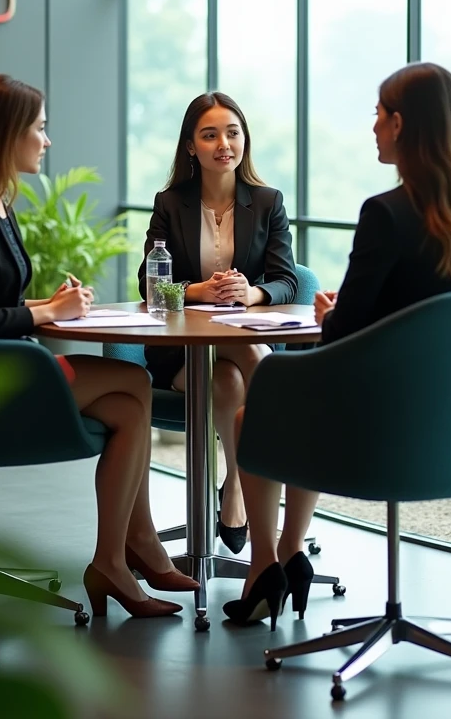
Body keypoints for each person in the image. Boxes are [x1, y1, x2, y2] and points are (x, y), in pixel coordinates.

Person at [225, 62, 451, 628]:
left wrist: (331, 316)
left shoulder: (387, 213)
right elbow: (430, 322)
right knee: (285, 404)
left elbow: (347, 334)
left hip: (380, 428)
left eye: (378, 115)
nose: (372, 127)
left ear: (401, 125)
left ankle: (266, 567)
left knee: (253, 414)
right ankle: (290, 554)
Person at [0, 74, 199, 619]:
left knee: (126, 408)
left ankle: (120, 556)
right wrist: (46, 312)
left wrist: (51, 302)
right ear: (7, 134)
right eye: (39, 129)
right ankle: (129, 553)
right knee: (134, 381)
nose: (46, 141)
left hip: (8, 364)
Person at [139, 91, 297, 554]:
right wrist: (195, 291)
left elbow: (288, 280)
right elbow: (147, 281)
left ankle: (234, 485)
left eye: (232, 133)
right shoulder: (170, 203)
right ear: (192, 146)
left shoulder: (267, 202)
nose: (223, 144)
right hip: (184, 353)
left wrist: (252, 293)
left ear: (244, 139)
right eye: (210, 135)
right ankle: (269, 490)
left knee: (230, 381)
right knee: (252, 358)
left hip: (237, 347)